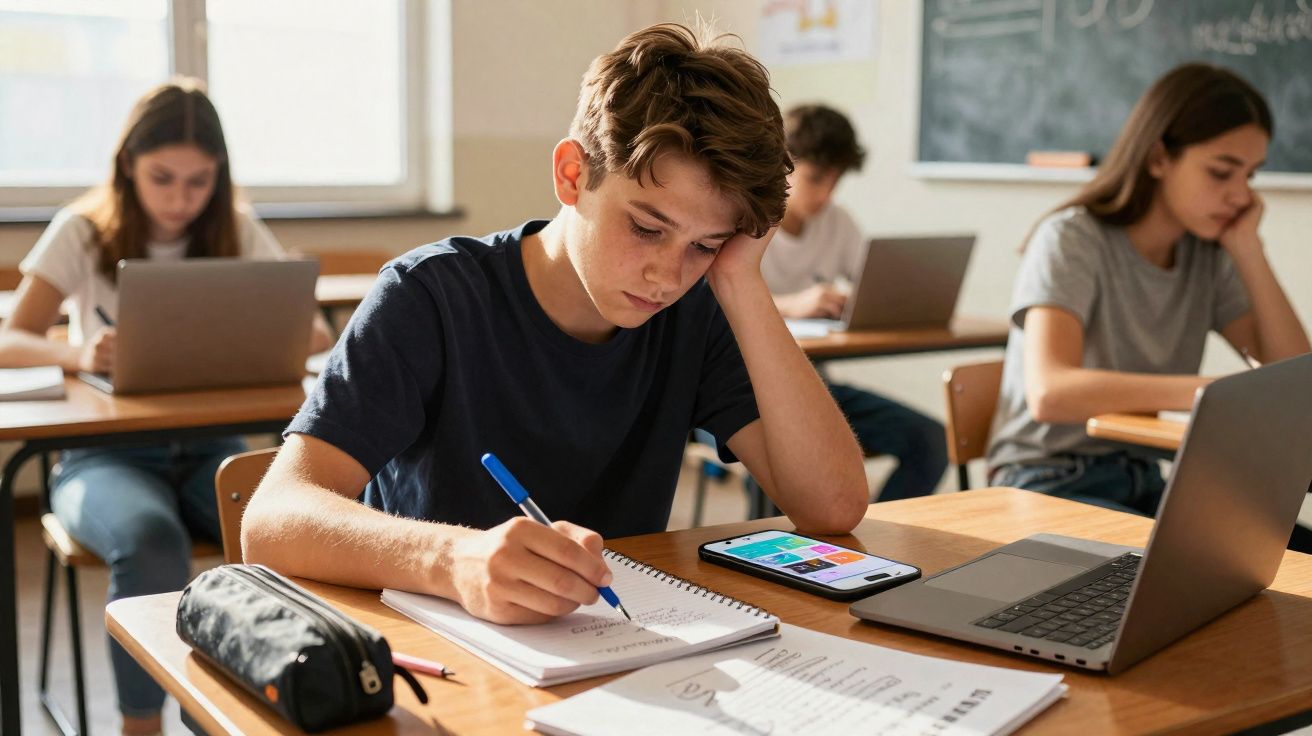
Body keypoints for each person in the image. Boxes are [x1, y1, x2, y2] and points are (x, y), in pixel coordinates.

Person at [241, 23, 868, 627]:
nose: (667, 277)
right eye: (647, 228)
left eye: (705, 244)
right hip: (443, 644)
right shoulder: (430, 297)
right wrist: (454, 560)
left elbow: (832, 507)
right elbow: (272, 519)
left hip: (614, 641)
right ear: (573, 174)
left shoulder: (693, 310)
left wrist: (740, 280)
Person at [0, 78, 333, 735]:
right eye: (162, 178)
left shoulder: (233, 226)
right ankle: (142, 725)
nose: (180, 199)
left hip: (210, 448)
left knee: (287, 530)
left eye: (198, 181)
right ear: (128, 164)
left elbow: (316, 334)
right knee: (152, 541)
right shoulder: (81, 230)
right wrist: (78, 353)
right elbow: (9, 336)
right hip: (102, 459)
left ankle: (231, 711)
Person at [987, 63, 1310, 516]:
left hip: (1146, 477)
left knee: (1293, 557)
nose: (1241, 196)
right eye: (1222, 172)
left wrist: (1249, 249)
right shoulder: (1071, 239)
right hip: (1044, 479)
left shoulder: (1209, 254)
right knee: (1200, 576)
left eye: (1250, 176)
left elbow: (1294, 376)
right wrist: (1209, 391)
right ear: (1159, 158)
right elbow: (1049, 392)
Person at [761, 104, 948, 501]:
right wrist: (792, 304)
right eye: (815, 179)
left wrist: (858, 301)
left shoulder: (837, 222)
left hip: (816, 386)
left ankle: (877, 545)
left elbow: (875, 289)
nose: (826, 194)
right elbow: (708, 306)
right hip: (744, 392)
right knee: (777, 454)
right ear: (783, 164)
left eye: (836, 180)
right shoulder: (748, 219)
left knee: (931, 441)